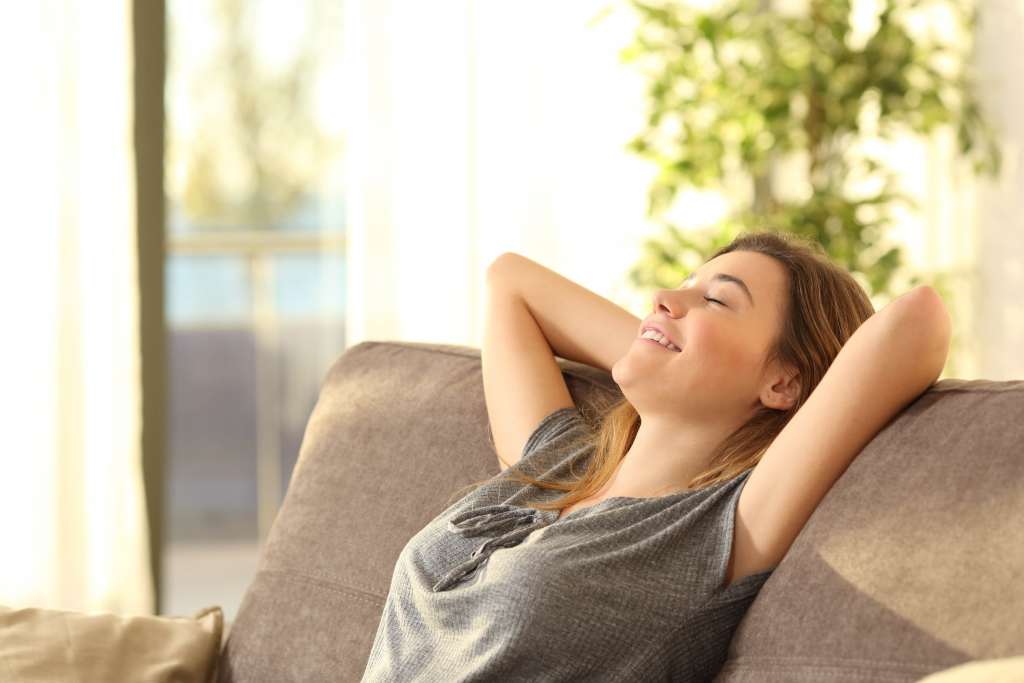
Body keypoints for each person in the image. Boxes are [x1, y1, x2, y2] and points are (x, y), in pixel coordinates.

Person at [360, 230, 951, 682]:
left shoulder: (720, 527)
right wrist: (673, 346)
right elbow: (510, 280)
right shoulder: (556, 461)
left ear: (784, 383)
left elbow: (918, 320)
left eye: (717, 301)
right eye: (683, 284)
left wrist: (683, 355)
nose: (664, 298)